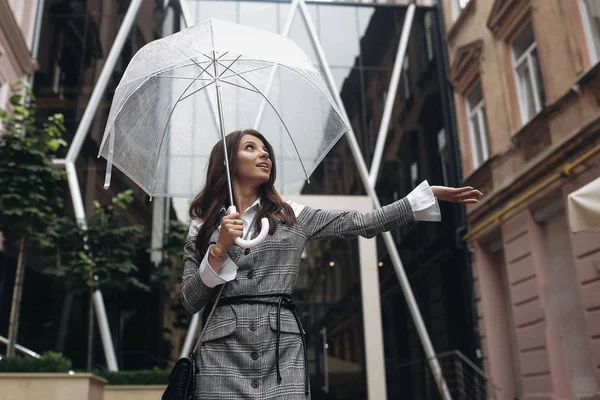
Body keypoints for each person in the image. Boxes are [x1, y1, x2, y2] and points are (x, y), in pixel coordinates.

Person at [181, 129, 482, 399]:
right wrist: (219, 249)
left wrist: (420, 199)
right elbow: (191, 300)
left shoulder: (292, 215)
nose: (264, 154)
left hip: (280, 352)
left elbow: (361, 223)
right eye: (251, 148)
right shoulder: (201, 226)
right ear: (227, 162)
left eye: (266, 150)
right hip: (220, 355)